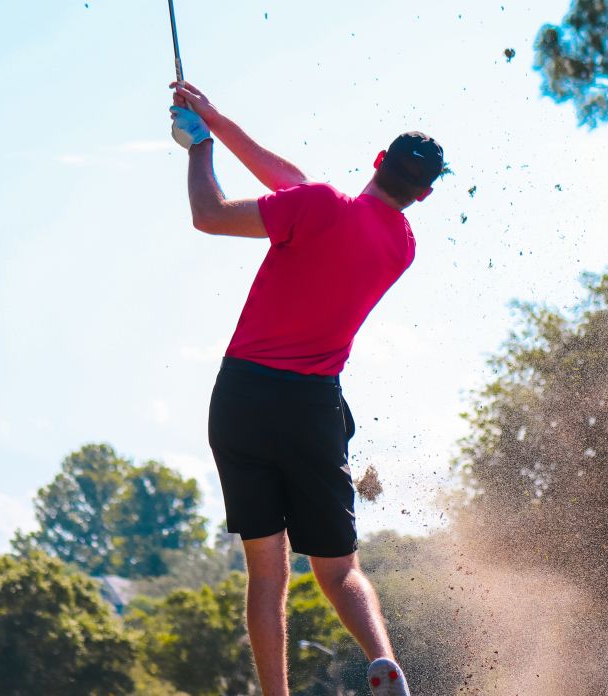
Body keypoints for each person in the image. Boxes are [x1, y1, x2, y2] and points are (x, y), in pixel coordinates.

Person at [169, 81, 443, 696]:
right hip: (313, 407)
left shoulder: (316, 205)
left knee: (267, 573)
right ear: (423, 194)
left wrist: (197, 147)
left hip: (243, 398)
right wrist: (213, 117)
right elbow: (295, 184)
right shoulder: (401, 246)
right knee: (338, 569)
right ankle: (382, 660)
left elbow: (209, 215)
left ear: (377, 159)